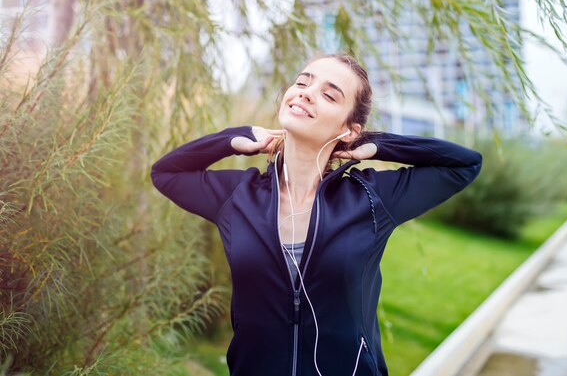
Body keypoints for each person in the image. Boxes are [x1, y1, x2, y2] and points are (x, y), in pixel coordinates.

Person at [150, 52, 483, 376]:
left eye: (328, 94)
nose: (306, 93)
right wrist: (234, 139)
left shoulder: (370, 198)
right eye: (302, 82)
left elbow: (464, 164)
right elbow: (167, 174)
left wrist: (377, 144)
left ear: (349, 128)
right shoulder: (238, 197)